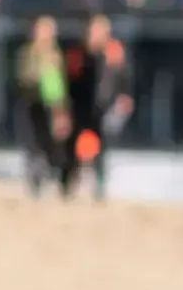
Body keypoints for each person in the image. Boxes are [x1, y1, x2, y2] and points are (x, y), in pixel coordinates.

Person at [59, 14, 132, 200]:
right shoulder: (77, 54)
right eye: (97, 30)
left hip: (102, 108)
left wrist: (124, 98)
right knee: (71, 149)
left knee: (101, 149)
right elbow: (67, 81)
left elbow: (124, 79)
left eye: (104, 30)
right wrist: (63, 109)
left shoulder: (113, 53)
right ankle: (66, 187)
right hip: (79, 107)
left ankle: (99, 188)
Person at [15, 15, 69, 196]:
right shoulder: (28, 54)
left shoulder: (56, 56)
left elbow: (60, 87)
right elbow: (24, 79)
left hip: (50, 107)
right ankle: (34, 182)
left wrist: (61, 112)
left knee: (51, 145)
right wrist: (40, 71)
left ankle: (52, 179)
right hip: (31, 105)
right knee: (32, 145)